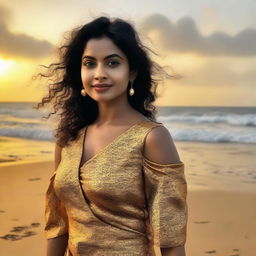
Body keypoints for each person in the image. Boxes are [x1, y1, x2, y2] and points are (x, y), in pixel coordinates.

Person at [34, 16, 188, 256]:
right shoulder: (68, 139)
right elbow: (59, 223)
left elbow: (171, 239)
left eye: (112, 63)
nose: (99, 74)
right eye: (89, 63)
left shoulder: (152, 138)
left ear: (132, 72)